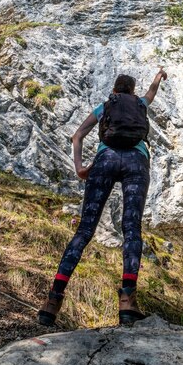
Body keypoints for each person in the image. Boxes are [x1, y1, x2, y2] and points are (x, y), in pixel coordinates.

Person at [38, 68, 167, 326]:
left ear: (115, 91)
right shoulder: (141, 103)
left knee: (84, 231)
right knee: (132, 230)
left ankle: (53, 301)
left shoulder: (105, 106)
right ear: (132, 91)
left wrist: (79, 168)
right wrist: (158, 76)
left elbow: (77, 136)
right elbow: (151, 93)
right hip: (136, 161)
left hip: (105, 159)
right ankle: (127, 302)